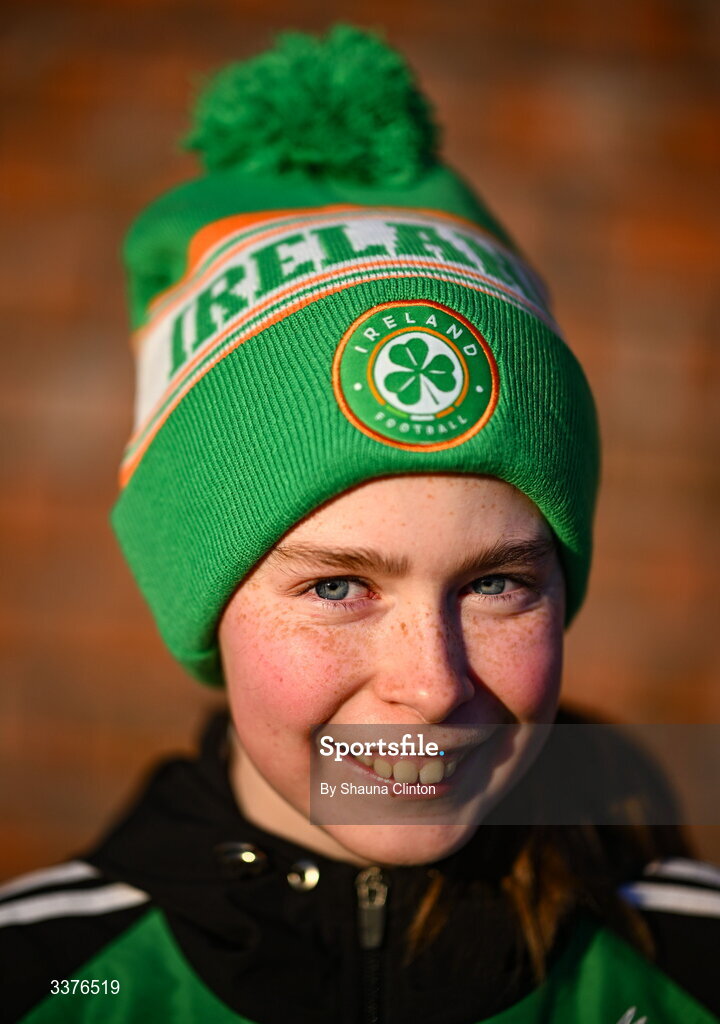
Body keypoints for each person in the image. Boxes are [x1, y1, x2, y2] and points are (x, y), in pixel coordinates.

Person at [2, 25, 718, 1024]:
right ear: (203, 598)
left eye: (497, 583)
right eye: (339, 585)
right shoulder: (46, 976)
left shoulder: (687, 968)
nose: (431, 686)